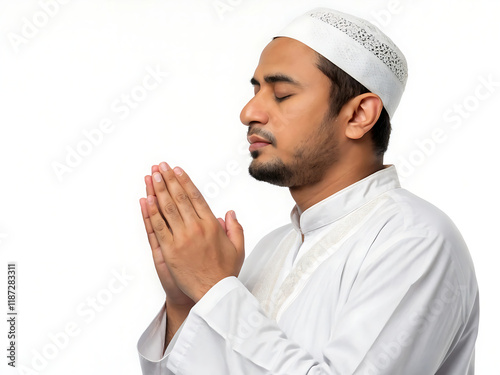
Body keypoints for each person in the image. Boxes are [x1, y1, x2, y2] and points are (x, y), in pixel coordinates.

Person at [136, 7, 479, 375]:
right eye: (256, 90)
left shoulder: (416, 240)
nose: (249, 111)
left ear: (359, 115)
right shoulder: (271, 249)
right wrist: (185, 302)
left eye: (281, 94)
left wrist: (214, 287)